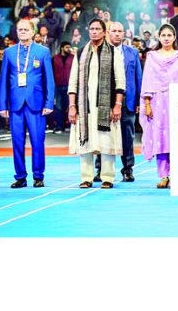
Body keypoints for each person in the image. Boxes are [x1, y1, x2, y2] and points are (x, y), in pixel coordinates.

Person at [68, 19, 126, 189]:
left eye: (97, 29)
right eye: (91, 28)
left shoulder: (113, 52)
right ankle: (86, 177)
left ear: (103, 32)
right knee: (85, 142)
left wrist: (117, 105)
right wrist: (72, 106)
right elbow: (73, 82)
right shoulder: (80, 53)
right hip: (84, 106)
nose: (94, 32)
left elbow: (120, 81)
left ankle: (107, 177)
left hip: (106, 106)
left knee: (106, 142)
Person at [0, 19, 55, 188]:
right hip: (15, 104)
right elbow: (3, 81)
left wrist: (49, 102)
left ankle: (38, 176)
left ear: (32, 32)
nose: (22, 32)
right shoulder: (9, 53)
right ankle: (20, 177)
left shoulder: (42, 52)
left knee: (38, 141)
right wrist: (2, 105)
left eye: (25, 29)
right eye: (19, 29)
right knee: (17, 142)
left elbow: (49, 80)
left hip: (36, 104)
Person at [139, 24, 178, 188]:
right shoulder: (152, 57)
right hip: (157, 102)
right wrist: (147, 104)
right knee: (161, 138)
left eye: (169, 35)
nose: (166, 38)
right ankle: (163, 175)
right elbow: (147, 81)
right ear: (159, 37)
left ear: (174, 37)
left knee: (177, 137)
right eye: (163, 35)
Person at [94, 22, 142, 182]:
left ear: (124, 34)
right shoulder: (100, 52)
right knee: (103, 136)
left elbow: (138, 78)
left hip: (128, 102)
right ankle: (101, 170)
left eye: (120, 31)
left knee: (127, 137)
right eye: (114, 31)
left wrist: (139, 100)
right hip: (104, 102)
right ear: (108, 33)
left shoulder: (132, 53)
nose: (117, 34)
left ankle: (127, 169)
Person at [52, 41, 74, 133]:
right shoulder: (54, 58)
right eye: (66, 47)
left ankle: (69, 125)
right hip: (58, 85)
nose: (68, 49)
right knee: (59, 107)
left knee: (70, 106)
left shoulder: (73, 58)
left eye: (69, 47)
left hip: (70, 86)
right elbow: (51, 72)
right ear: (62, 48)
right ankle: (59, 126)